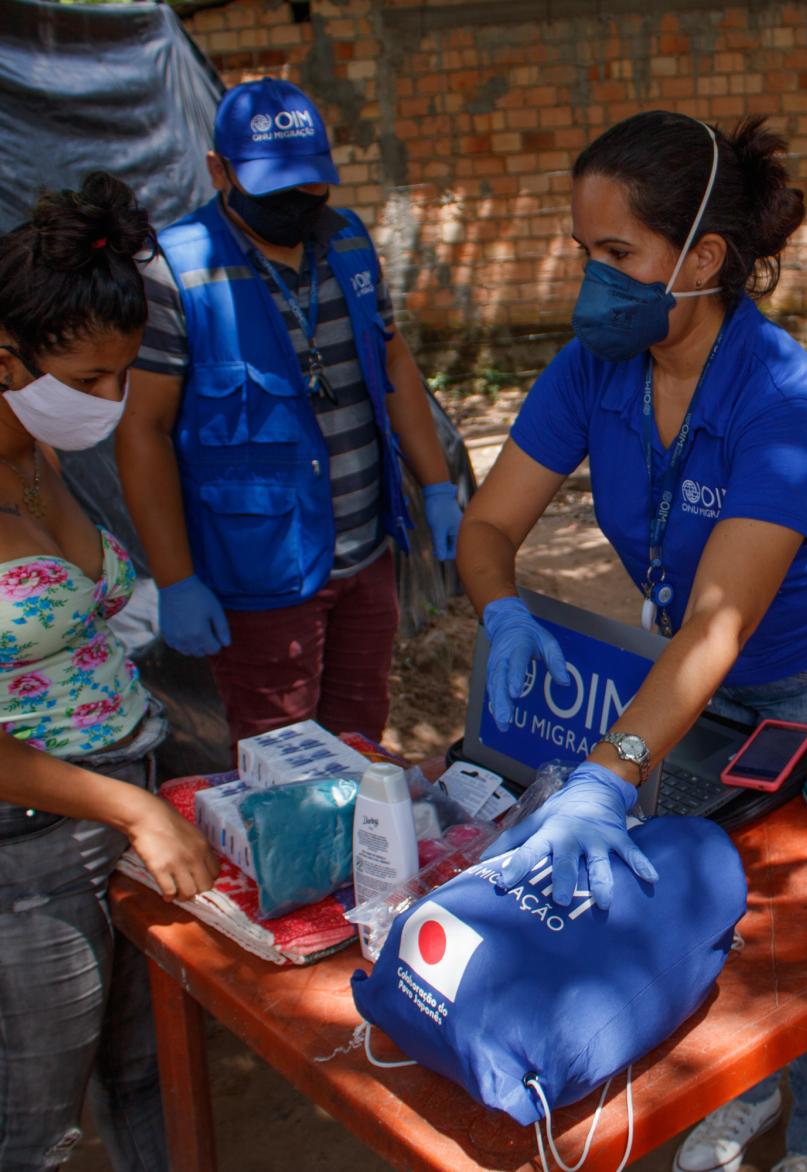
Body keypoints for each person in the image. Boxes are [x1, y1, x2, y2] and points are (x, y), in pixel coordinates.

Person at [457, 111, 807, 1172]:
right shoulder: (593, 368)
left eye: (616, 254)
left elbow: (723, 619)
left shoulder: (782, 398)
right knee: (701, 891)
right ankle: (738, 1085)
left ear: (702, 257)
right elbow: (487, 525)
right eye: (584, 252)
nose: (591, 280)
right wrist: (500, 607)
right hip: (690, 676)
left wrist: (610, 766)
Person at [117, 77, 463, 745]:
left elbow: (394, 366)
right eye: (274, 189)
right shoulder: (176, 270)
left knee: (360, 737)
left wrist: (440, 485)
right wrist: (176, 578)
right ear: (219, 170)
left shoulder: (348, 242)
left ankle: (359, 854)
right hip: (258, 573)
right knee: (281, 756)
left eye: (310, 186)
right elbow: (144, 429)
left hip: (366, 557)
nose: (296, 205)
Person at [0, 173, 220, 1170]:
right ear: (5, 356)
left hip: (124, 797)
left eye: (122, 374)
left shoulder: (38, 457)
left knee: (148, 1070)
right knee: (34, 1119)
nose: (111, 401)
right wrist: (133, 812)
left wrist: (142, 801)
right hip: (31, 852)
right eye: (88, 378)